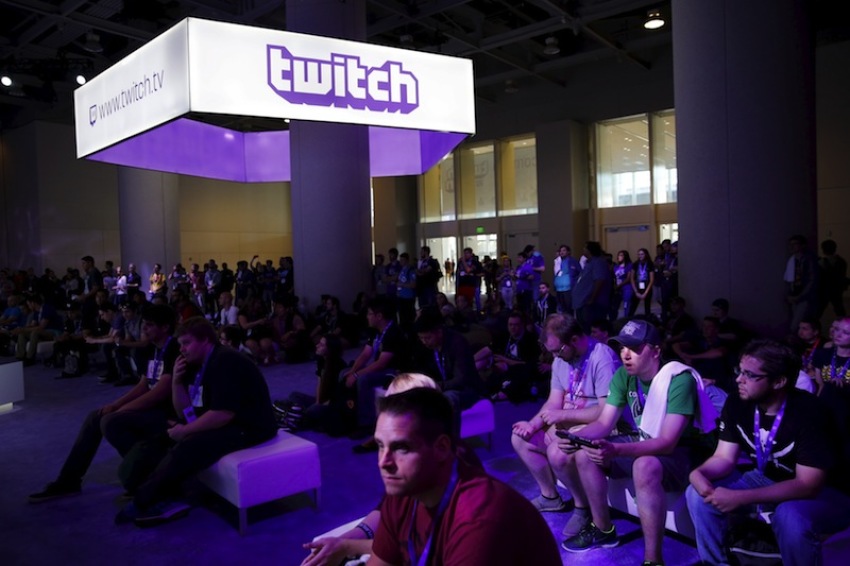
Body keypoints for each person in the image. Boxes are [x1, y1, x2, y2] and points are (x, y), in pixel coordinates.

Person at [557, 319, 718, 565]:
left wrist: (616, 449)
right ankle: (603, 529)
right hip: (648, 439)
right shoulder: (623, 375)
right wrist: (577, 438)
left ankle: (653, 559)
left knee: (644, 466)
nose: (625, 354)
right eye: (622, 348)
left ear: (655, 350)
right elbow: (604, 424)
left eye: (634, 348)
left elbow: (667, 443)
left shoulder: (678, 379)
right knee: (584, 454)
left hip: (687, 452)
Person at [686, 339, 850, 566]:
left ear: (779, 381)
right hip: (766, 477)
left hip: (827, 491)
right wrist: (698, 473)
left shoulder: (811, 413)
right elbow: (724, 457)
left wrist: (740, 497)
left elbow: (807, 485)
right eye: (739, 371)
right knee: (696, 495)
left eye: (750, 375)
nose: (738, 379)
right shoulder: (737, 402)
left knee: (790, 516)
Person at [367, 387, 562, 566]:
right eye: (380, 446)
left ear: (442, 448)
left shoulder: (478, 518)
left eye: (401, 448)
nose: (383, 462)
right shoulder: (404, 490)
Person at [115, 316, 277, 526]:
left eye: (186, 343)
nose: (181, 349)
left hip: (251, 427)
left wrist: (186, 431)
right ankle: (154, 490)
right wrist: (176, 382)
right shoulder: (196, 362)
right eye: (180, 343)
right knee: (163, 436)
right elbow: (184, 411)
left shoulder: (226, 361)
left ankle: (144, 501)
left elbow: (223, 414)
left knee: (190, 444)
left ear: (206, 340)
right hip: (227, 422)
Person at [28, 305, 180, 503]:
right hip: (151, 409)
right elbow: (144, 384)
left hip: (167, 415)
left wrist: (122, 410)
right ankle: (69, 480)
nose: (144, 329)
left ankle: (146, 476)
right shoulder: (153, 348)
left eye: (149, 325)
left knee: (111, 422)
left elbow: (161, 391)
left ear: (165, 327)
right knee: (96, 416)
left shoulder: (174, 348)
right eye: (144, 324)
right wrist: (116, 404)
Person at [511, 313, 621, 517]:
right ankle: (550, 497)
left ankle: (582, 507)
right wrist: (533, 424)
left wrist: (561, 416)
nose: (555, 357)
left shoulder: (602, 357)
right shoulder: (560, 359)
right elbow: (553, 402)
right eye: (551, 351)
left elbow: (606, 412)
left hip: (596, 425)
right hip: (567, 424)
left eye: (558, 350)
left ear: (574, 339)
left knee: (557, 451)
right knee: (520, 438)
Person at [342, 296, 407, 444]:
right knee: (344, 373)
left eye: (369, 313)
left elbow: (382, 363)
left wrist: (357, 374)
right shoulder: (375, 331)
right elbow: (366, 354)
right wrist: (352, 370)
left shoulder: (393, 332)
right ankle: (349, 414)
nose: (367, 317)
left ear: (379, 316)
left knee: (363, 380)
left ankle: (367, 424)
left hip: (394, 371)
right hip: (382, 367)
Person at [573, 241, 612, 331]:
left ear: (590, 250)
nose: (583, 249)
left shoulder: (598, 263)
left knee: (592, 328)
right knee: (583, 327)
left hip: (593, 304)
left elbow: (599, 280)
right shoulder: (588, 263)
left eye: (585, 248)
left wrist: (592, 298)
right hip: (582, 302)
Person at [553, 244, 582, 315]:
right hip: (558, 289)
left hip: (568, 289)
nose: (561, 252)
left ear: (568, 252)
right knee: (561, 309)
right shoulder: (557, 262)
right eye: (560, 251)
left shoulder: (573, 261)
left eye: (564, 250)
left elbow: (580, 272)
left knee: (569, 308)